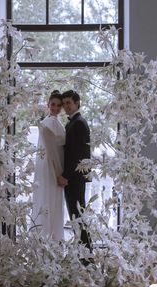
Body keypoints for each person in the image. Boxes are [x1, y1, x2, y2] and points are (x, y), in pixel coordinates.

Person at [57, 90, 92, 251]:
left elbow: (76, 154)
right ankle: (82, 254)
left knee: (78, 216)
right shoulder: (73, 122)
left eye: (68, 103)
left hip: (75, 177)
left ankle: (87, 256)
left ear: (77, 103)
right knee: (76, 216)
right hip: (75, 176)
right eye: (64, 103)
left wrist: (66, 176)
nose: (66, 106)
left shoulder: (78, 123)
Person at [32, 90, 65, 241]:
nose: (56, 108)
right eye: (53, 104)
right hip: (51, 167)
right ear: (48, 105)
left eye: (59, 105)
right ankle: (48, 238)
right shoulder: (47, 124)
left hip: (55, 165)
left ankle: (52, 237)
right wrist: (58, 173)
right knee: (50, 200)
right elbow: (51, 152)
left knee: (53, 201)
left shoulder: (56, 122)